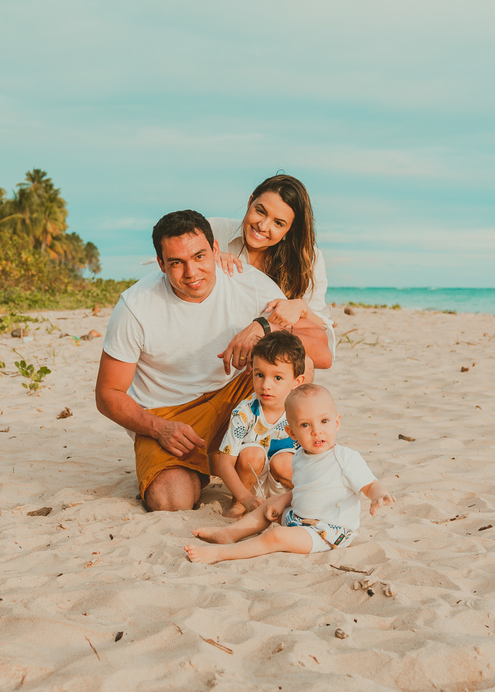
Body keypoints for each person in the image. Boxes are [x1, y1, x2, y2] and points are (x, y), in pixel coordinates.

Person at [95, 210, 332, 512]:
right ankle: (211, 462)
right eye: (176, 263)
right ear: (161, 264)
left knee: (300, 363)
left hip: (237, 397)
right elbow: (108, 393)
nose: (191, 272)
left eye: (199, 256)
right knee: (171, 500)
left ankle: (285, 451)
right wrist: (157, 428)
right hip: (169, 416)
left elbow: (321, 352)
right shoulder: (136, 305)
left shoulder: (248, 283)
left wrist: (264, 326)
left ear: (216, 250)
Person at [184, 384, 395, 563]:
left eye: (324, 421)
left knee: (276, 536)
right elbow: (303, 489)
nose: (316, 431)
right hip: (299, 518)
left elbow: (370, 484)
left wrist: (379, 495)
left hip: (327, 532)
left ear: (337, 422)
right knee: (269, 504)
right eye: (305, 425)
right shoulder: (300, 456)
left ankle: (221, 554)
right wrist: (281, 500)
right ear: (292, 433)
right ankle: (229, 534)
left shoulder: (345, 458)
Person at [208, 174, 335, 367]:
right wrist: (205, 258)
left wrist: (301, 309)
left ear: (291, 229)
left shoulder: (308, 259)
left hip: (264, 359)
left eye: (278, 223)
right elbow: (169, 261)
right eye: (260, 211)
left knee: (305, 363)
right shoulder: (213, 230)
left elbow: (321, 337)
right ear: (250, 202)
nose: (263, 226)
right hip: (213, 352)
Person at [211, 331, 307, 520]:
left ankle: (298, 502)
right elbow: (225, 464)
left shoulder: (301, 412)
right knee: (251, 454)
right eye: (260, 375)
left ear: (297, 381)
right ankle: (238, 506)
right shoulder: (244, 412)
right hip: (249, 488)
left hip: (286, 488)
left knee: (284, 462)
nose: (265, 385)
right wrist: (244, 498)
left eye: (277, 378)